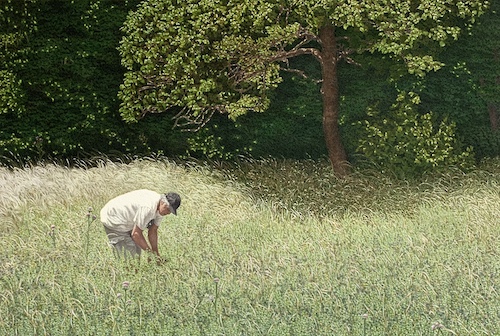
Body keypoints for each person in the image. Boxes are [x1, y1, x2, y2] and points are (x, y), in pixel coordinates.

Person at [100, 189, 181, 259]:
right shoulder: (148, 207)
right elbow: (136, 234)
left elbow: (153, 231)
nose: (168, 213)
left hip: (127, 218)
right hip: (114, 217)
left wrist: (156, 254)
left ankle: (133, 272)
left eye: (170, 211)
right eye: (168, 209)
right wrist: (151, 256)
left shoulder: (161, 209)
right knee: (129, 256)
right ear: (163, 202)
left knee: (137, 251)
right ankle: (128, 274)